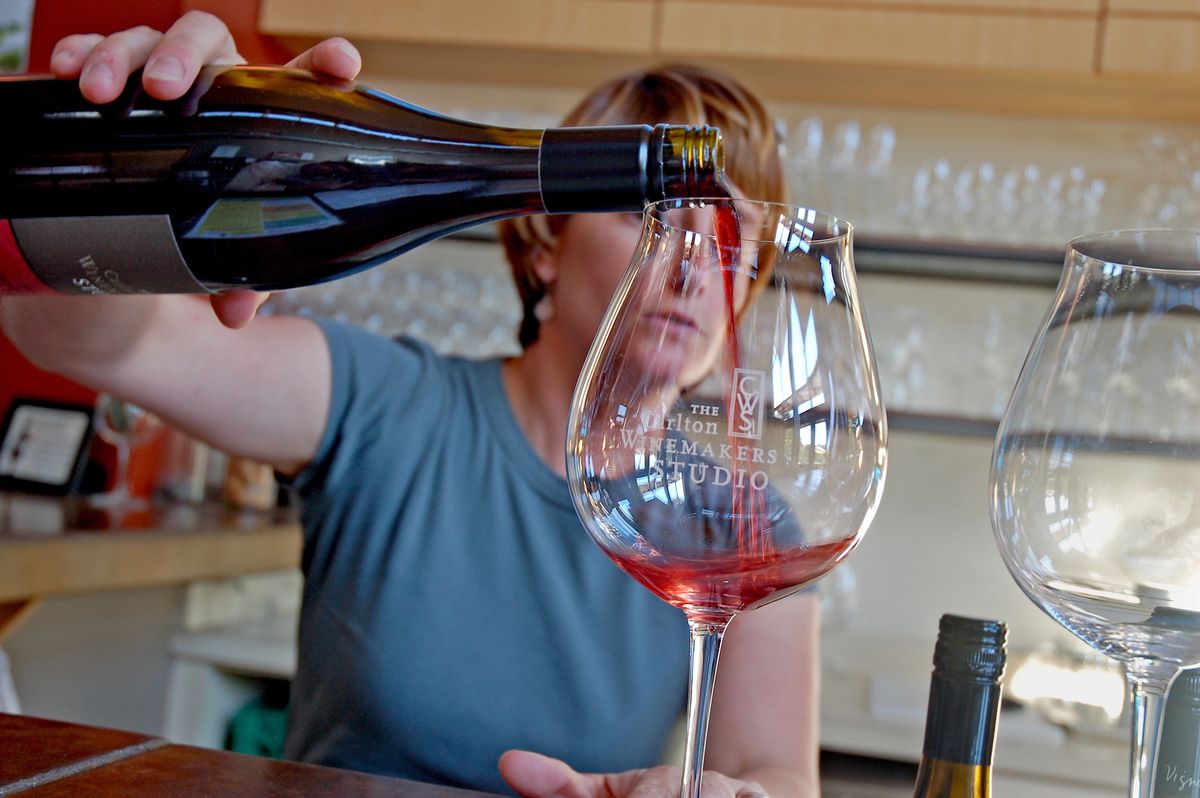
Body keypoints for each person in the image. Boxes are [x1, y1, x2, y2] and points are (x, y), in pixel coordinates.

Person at [1, 11, 821, 798]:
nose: (690, 268)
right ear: (543, 249)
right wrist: (126, 158)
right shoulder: (389, 406)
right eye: (642, 215)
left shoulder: (744, 528)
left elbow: (776, 774)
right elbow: (89, 341)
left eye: (727, 237)